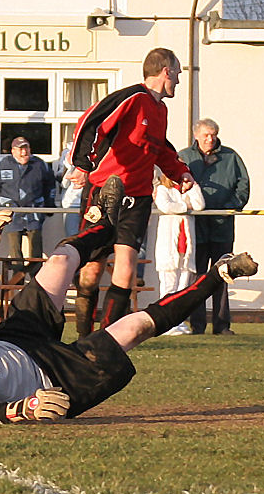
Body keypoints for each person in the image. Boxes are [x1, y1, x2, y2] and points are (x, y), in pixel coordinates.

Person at [0, 176, 258, 424]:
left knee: (60, 262)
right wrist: (23, 408)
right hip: (53, 381)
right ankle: (220, 274)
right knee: (136, 326)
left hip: (16, 340)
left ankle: (105, 224)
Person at [68, 47, 195, 337]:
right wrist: (82, 164)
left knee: (125, 268)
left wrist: (180, 173)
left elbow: (159, 147)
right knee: (90, 274)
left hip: (137, 198)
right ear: (166, 71)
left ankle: (106, 341)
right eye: (177, 72)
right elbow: (91, 122)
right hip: (103, 192)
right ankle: (83, 340)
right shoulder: (132, 97)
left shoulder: (161, 110)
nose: (178, 79)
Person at [179, 118, 250, 336]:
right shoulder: (184, 157)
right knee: (198, 277)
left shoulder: (231, 157)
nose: (210, 139)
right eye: (206, 135)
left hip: (222, 227)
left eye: (213, 134)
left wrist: (228, 208)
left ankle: (222, 325)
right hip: (196, 228)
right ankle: (197, 325)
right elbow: (173, 184)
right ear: (196, 136)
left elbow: (243, 186)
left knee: (224, 275)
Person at [0, 136, 55, 276]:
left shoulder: (40, 165)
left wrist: (50, 202)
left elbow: (50, 183)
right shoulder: (1, 164)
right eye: (20, 149)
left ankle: (36, 285)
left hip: (34, 213)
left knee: (36, 253)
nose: (24, 153)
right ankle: (18, 283)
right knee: (15, 253)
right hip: (12, 214)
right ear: (13, 151)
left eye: (26, 149)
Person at [153, 172, 205, 335]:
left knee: (183, 287)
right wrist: (185, 206)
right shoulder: (163, 189)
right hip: (169, 246)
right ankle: (166, 323)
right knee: (169, 286)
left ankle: (179, 322)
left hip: (186, 247)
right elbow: (166, 206)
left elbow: (199, 205)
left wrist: (193, 188)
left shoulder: (189, 190)